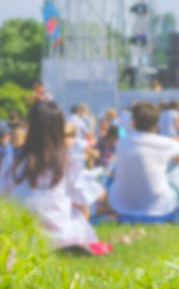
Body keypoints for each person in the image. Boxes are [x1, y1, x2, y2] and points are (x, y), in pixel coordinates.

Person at [3, 100, 106, 250]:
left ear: (29, 126)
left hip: (22, 235)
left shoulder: (15, 159)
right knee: (79, 210)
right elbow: (81, 197)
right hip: (59, 236)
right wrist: (99, 192)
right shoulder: (66, 160)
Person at [108, 101, 179, 218]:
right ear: (156, 124)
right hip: (158, 207)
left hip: (120, 205)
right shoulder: (161, 143)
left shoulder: (121, 142)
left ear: (133, 122)